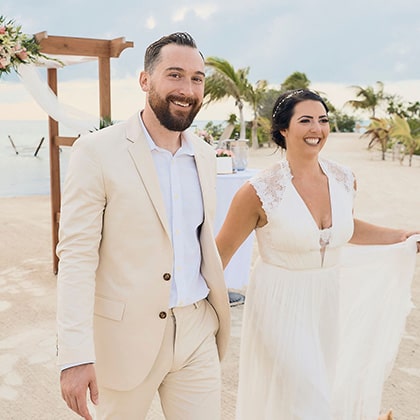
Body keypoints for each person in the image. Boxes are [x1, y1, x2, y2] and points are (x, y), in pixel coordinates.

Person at [56, 32, 230, 420]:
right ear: (144, 80)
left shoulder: (203, 154)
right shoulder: (96, 151)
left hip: (197, 329)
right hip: (123, 338)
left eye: (197, 78)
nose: (187, 89)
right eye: (175, 75)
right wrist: (75, 355)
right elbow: (77, 258)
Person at [216, 89, 420, 420]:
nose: (317, 129)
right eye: (306, 120)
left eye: (323, 120)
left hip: (325, 301)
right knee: (309, 402)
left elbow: (344, 228)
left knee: (311, 396)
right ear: (283, 129)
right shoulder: (258, 192)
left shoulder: (344, 179)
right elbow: (219, 254)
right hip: (278, 304)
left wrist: (399, 236)